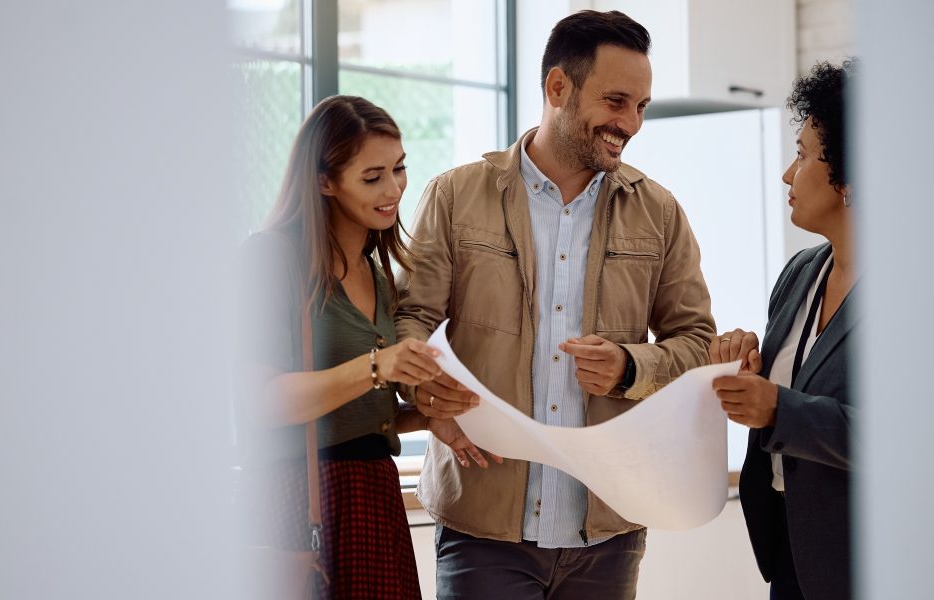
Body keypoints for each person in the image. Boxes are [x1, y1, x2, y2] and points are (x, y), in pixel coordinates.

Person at [395, 10, 716, 599]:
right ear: (557, 88)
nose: (631, 124)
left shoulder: (661, 213)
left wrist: (630, 366)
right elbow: (410, 320)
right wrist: (424, 395)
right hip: (483, 527)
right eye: (617, 101)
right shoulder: (455, 195)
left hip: (610, 533)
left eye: (641, 107)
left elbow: (698, 343)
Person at [236, 95, 476, 599]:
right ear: (324, 181)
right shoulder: (271, 259)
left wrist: (423, 416)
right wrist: (376, 365)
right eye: (372, 177)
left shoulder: (378, 272)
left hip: (374, 498)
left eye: (399, 169)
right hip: (304, 501)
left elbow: (359, 417)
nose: (394, 189)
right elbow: (261, 401)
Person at [709, 59, 858, 600]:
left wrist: (779, 408)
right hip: (792, 557)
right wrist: (747, 363)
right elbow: (790, 385)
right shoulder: (800, 272)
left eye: (801, 155)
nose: (787, 175)